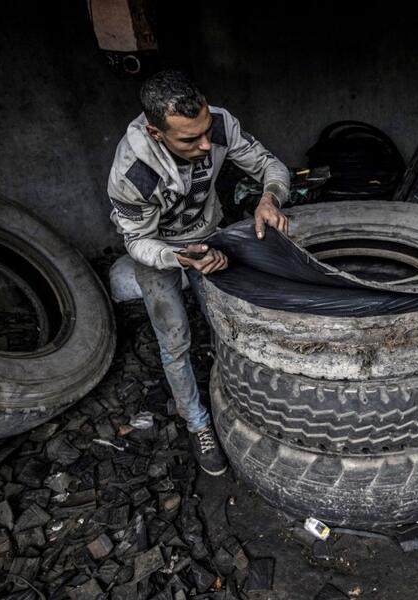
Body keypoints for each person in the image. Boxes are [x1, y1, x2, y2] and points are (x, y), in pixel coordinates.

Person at [107, 69, 290, 475]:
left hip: (209, 233)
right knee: (175, 341)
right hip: (160, 252)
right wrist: (181, 258)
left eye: (206, 131)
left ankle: (238, 396)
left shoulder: (218, 124)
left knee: (225, 321)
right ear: (157, 134)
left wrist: (270, 199)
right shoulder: (132, 173)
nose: (206, 144)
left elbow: (270, 167)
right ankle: (197, 422)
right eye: (190, 139)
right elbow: (136, 242)